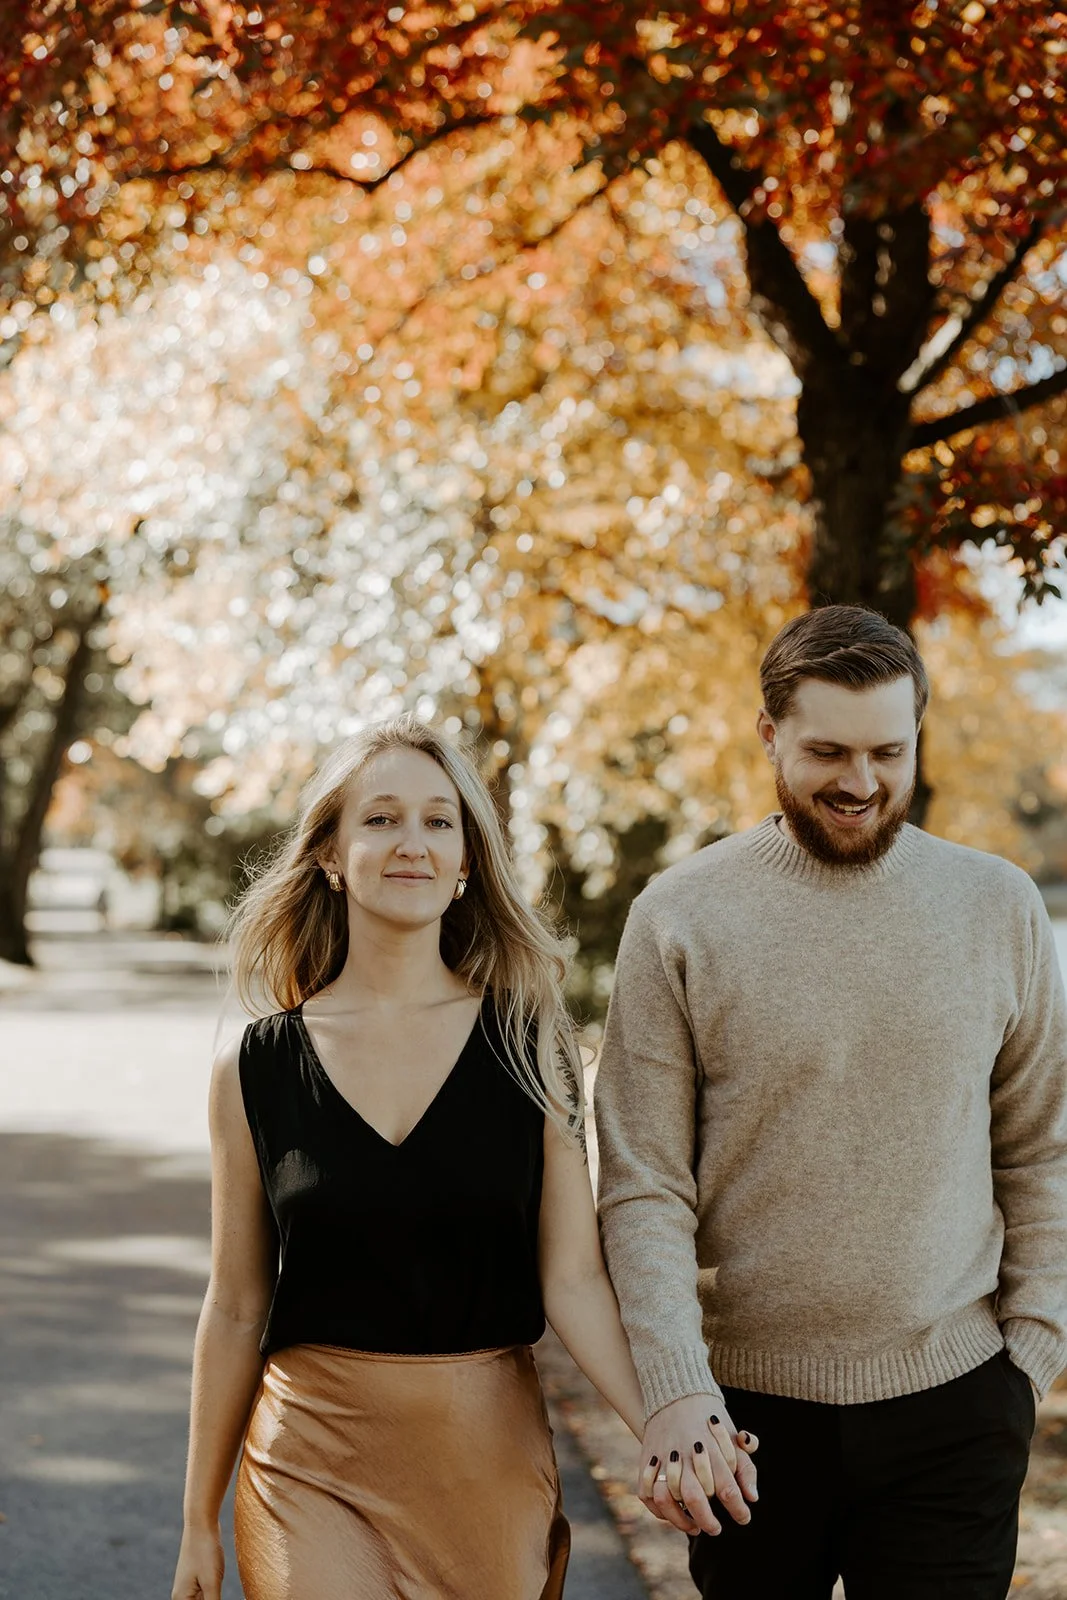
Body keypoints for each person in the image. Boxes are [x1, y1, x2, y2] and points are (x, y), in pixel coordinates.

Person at [595, 604, 1067, 1599]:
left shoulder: (997, 907)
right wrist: (676, 1387)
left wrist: (1028, 1356)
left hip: (957, 1408)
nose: (859, 782)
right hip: (745, 1424)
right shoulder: (678, 916)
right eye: (826, 752)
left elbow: (1041, 1149)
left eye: (887, 752)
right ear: (768, 734)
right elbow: (642, 1183)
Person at [171, 714, 649, 1600]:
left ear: (466, 860)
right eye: (381, 818)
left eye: (438, 821)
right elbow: (236, 1304)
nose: (411, 843)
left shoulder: (530, 1044)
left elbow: (574, 1280)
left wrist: (662, 1426)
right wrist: (198, 1518)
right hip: (309, 1462)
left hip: (486, 1463)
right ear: (330, 853)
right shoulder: (255, 1067)